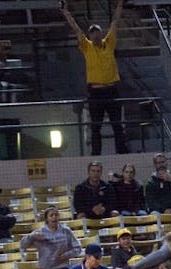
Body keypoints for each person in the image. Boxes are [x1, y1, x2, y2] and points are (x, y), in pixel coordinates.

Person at [59, 0, 129, 155]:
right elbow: (76, 28)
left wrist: (119, 5)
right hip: (96, 92)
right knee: (95, 125)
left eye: (97, 31)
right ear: (90, 35)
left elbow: (115, 22)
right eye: (93, 32)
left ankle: (122, 152)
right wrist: (66, 12)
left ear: (101, 33)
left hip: (111, 89)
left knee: (117, 124)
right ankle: (96, 154)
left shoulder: (109, 42)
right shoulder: (87, 46)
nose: (96, 34)